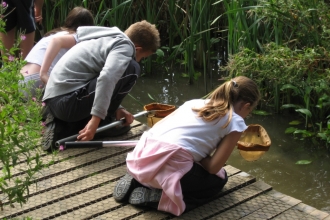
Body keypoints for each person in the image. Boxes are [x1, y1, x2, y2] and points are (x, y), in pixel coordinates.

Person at [113, 76, 261, 216]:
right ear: (245, 105)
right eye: (249, 111)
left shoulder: (193, 103)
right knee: (218, 180)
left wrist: (192, 150)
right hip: (166, 168)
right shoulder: (235, 122)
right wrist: (198, 153)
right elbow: (213, 167)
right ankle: (162, 198)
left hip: (142, 158)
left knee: (182, 158)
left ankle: (136, 179)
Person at [41, 20, 160, 151]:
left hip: (53, 98)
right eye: (142, 57)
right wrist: (95, 121)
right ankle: (67, 129)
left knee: (121, 124)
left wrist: (118, 108)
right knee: (132, 68)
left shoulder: (107, 37)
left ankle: (59, 118)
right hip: (66, 103)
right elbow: (107, 78)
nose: (140, 59)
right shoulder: (125, 46)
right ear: (138, 49)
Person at [20, 6, 94, 96]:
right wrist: (43, 74)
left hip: (21, 80)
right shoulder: (76, 36)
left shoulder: (55, 33)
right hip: (36, 80)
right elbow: (57, 41)